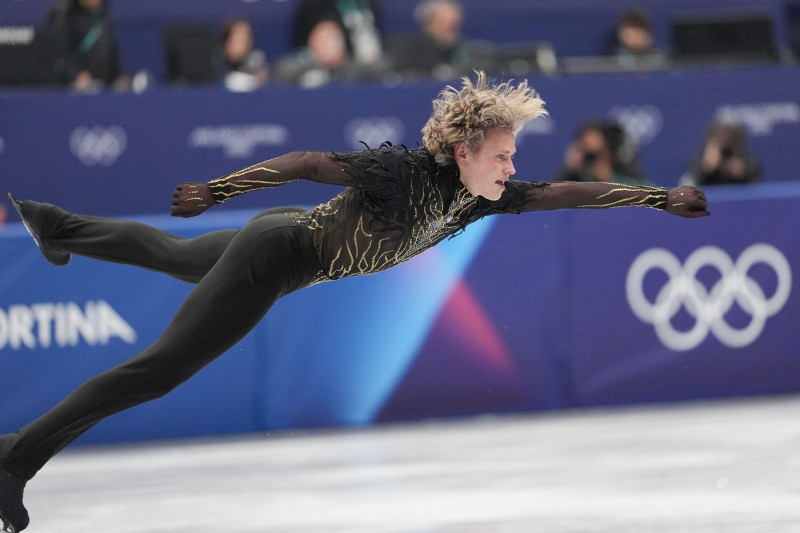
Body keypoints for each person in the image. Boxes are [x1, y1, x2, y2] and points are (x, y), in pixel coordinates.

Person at [0, 72, 709, 533]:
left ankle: (55, 225)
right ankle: (16, 459)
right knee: (156, 370)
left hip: (286, 256)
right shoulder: (404, 174)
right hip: (272, 255)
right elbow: (309, 163)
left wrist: (659, 196)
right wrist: (218, 190)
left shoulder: (476, 200)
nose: (512, 168)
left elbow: (566, 191)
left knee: (169, 255)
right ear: (462, 151)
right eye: (502, 155)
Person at [46, 0, 129, 92]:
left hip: (103, 88)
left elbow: (110, 50)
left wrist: (118, 75)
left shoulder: (102, 15)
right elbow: (61, 53)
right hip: (73, 89)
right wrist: (75, 75)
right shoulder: (64, 17)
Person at [386, 0, 470, 80]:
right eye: (449, 26)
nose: (453, 32)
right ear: (430, 22)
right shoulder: (407, 49)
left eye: (456, 26)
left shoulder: (459, 51)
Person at [555, 120, 649, 185]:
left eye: (598, 153)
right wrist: (569, 169)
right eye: (589, 154)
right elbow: (548, 199)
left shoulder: (620, 165)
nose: (594, 160)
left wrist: (611, 180)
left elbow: (648, 194)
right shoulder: (576, 173)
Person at [679, 121, 762, 187]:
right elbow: (688, 187)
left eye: (728, 139)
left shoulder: (747, 162)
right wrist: (706, 168)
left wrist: (743, 174)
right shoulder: (698, 161)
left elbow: (758, 191)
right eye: (719, 139)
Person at [214, 16, 269, 92]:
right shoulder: (214, 60)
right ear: (227, 39)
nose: (245, 40)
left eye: (247, 35)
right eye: (239, 35)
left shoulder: (255, 59)